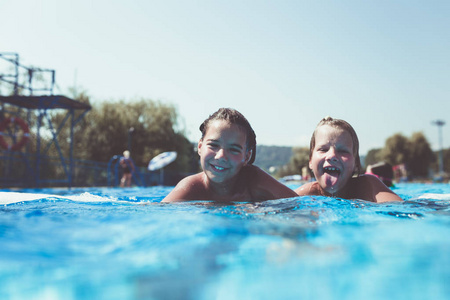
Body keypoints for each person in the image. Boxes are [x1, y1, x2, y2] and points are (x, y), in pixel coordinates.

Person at [162, 108, 298, 203]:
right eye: (213, 145)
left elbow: (302, 210)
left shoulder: (255, 181)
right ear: (200, 147)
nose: (221, 156)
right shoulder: (191, 188)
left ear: (247, 157)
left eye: (233, 149)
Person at [295, 117, 402, 203]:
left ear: (356, 163)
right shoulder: (306, 194)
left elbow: (403, 209)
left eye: (342, 151)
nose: (332, 156)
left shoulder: (368, 187)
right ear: (310, 161)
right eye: (323, 149)